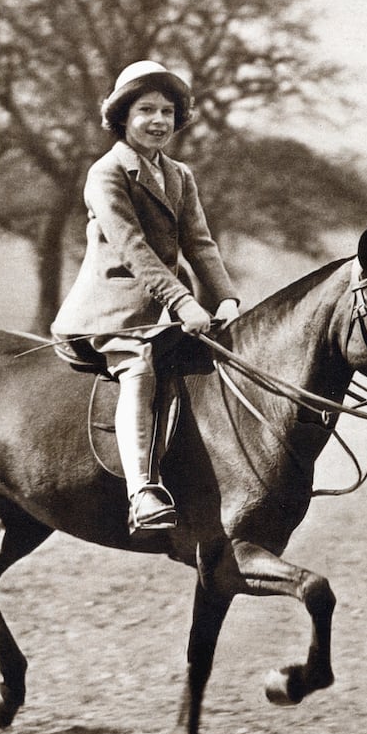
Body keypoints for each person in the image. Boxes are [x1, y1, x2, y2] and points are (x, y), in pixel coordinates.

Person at [51, 60, 240, 533]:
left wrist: (225, 299)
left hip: (170, 308)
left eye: (168, 112)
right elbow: (133, 248)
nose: (158, 121)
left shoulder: (179, 174)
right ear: (122, 117)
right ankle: (142, 491)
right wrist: (183, 302)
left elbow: (199, 243)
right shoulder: (106, 172)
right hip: (111, 312)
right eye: (146, 110)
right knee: (138, 368)